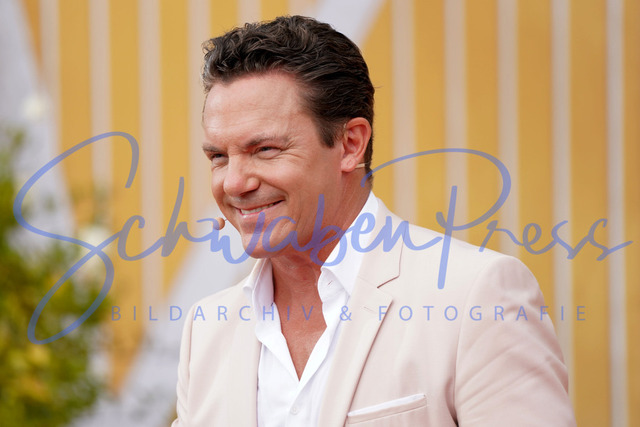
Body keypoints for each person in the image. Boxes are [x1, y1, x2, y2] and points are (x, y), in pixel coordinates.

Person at [172, 15, 576, 426]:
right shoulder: (205, 331)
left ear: (350, 144)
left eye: (265, 149)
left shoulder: (476, 295)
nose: (234, 183)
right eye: (218, 156)